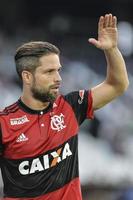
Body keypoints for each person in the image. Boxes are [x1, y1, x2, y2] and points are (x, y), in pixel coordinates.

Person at [0, 13, 129, 200]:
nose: (58, 79)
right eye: (49, 72)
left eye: (58, 71)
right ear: (27, 77)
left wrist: (112, 49)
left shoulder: (69, 106)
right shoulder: (5, 122)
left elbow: (118, 85)